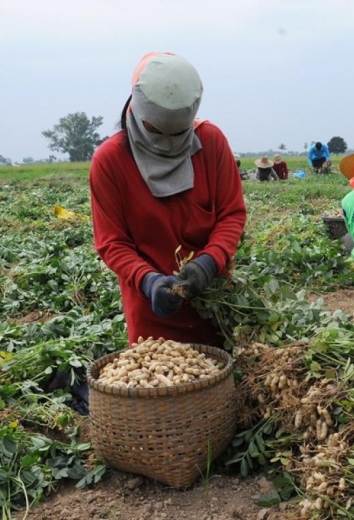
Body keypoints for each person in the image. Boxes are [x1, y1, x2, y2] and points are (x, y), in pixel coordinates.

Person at [89, 52, 247, 348]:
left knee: (218, 382)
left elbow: (231, 214)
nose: (168, 144)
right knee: (157, 385)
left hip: (213, 300)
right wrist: (148, 281)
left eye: (178, 134)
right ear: (136, 110)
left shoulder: (211, 143)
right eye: (155, 132)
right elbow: (112, 242)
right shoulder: (110, 161)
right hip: (151, 307)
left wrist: (208, 263)